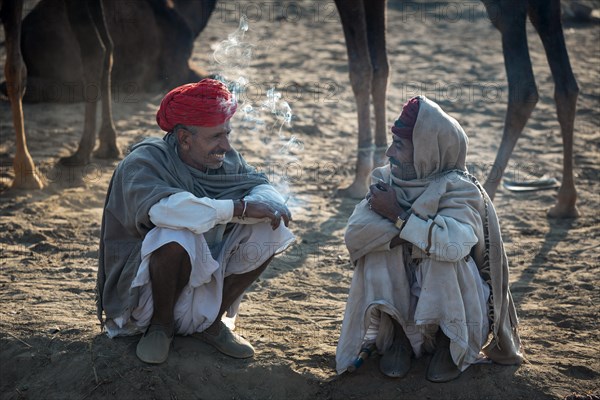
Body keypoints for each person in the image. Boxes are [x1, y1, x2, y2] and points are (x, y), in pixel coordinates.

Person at [96, 78, 295, 364]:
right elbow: (167, 211)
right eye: (216, 137)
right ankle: (160, 328)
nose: (225, 145)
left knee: (271, 227)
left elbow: (261, 188)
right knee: (176, 233)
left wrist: (268, 204)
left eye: (227, 134)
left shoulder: (224, 161)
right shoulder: (144, 162)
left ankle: (211, 324)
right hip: (142, 299)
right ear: (185, 139)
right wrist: (239, 208)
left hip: (201, 295)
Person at [336, 96, 523, 382]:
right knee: (379, 251)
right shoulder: (385, 179)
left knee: (441, 259)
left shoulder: (462, 190)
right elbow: (357, 235)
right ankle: (399, 336)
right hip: (406, 310)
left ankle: (449, 345)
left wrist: (397, 215)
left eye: (399, 145)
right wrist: (419, 233)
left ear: (426, 150)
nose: (389, 153)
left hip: (458, 310)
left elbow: (453, 245)